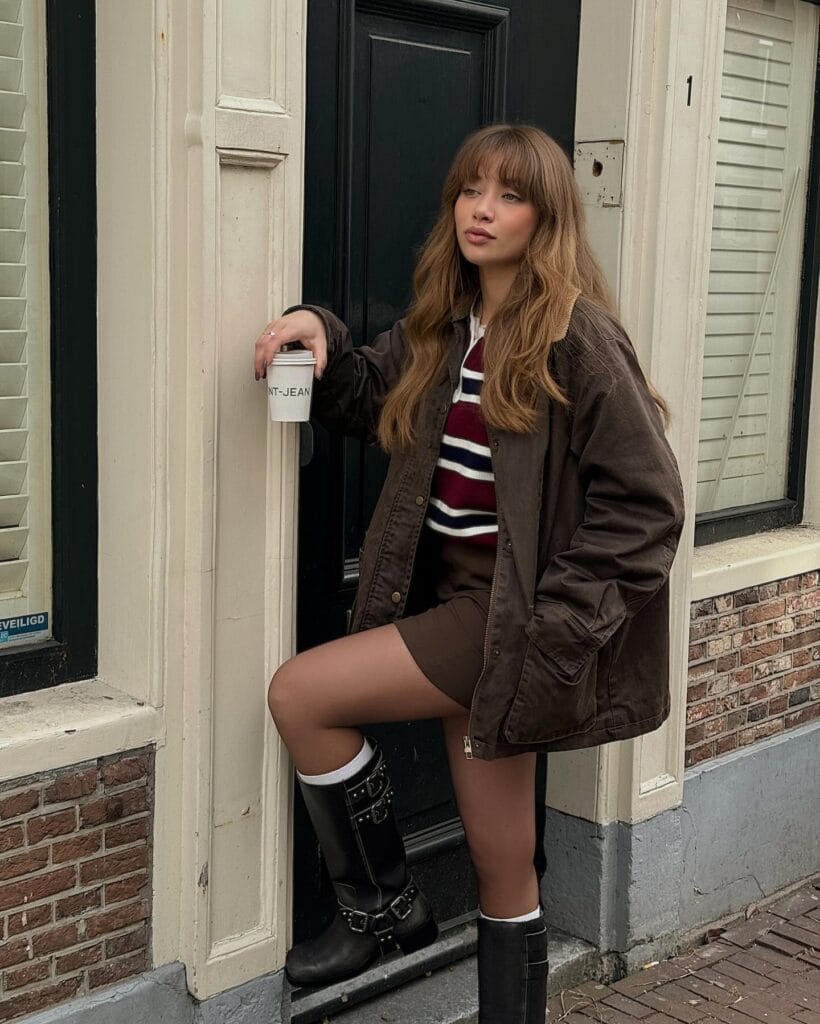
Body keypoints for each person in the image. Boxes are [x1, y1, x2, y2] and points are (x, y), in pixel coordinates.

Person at [254, 123, 685, 1022]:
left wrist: (556, 627)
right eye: (470, 189)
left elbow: (646, 505)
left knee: (301, 695)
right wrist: (316, 334)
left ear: (547, 217)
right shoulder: (449, 328)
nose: (482, 210)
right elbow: (372, 391)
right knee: (503, 864)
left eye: (509, 194)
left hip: (508, 616)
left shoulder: (575, 338)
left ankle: (383, 911)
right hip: (464, 606)